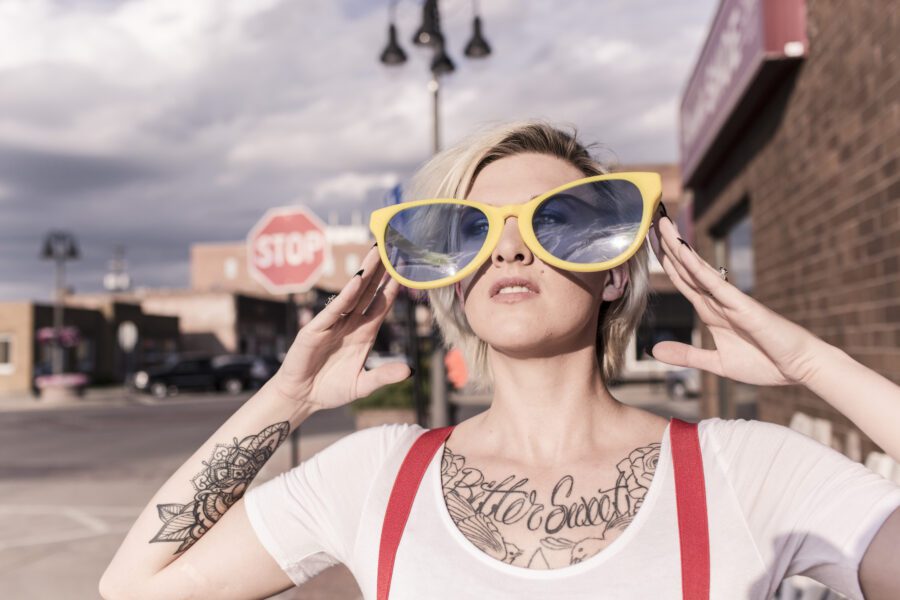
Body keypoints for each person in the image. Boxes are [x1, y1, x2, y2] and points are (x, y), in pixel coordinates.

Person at [99, 120, 900, 599]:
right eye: (472, 228)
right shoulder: (377, 473)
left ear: (616, 268)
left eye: (560, 221)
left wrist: (813, 364)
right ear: (451, 274)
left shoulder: (748, 470)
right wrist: (286, 397)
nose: (511, 246)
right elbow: (131, 589)